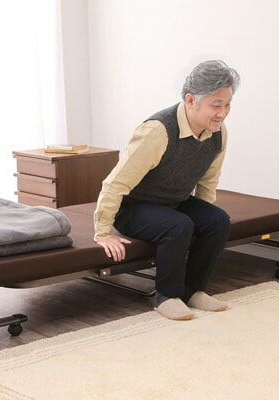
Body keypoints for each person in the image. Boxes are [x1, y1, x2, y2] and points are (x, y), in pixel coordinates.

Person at [93, 60, 240, 320]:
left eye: (227, 105)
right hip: (134, 207)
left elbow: (208, 182)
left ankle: (193, 291)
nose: (223, 113)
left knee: (218, 221)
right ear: (191, 100)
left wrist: (204, 222)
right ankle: (167, 297)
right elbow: (115, 183)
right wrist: (102, 233)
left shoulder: (218, 133)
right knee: (179, 225)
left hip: (174, 202)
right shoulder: (157, 131)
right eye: (216, 105)